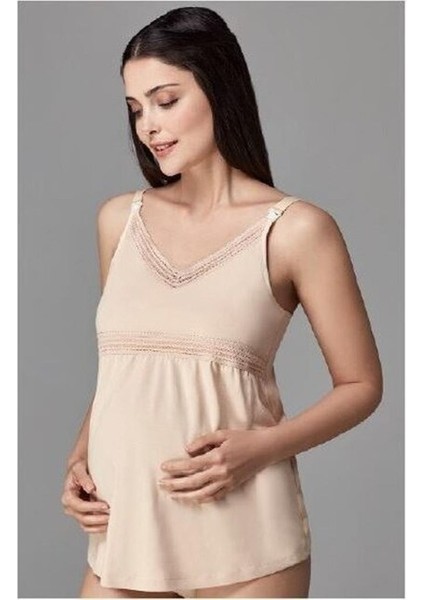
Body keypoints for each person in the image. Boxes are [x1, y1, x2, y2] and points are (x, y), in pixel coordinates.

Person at [61, 6, 383, 599]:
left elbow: (362, 385)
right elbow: (124, 367)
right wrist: (81, 455)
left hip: (246, 539)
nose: (148, 126)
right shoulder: (118, 220)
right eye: (135, 109)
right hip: (125, 530)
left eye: (165, 100)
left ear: (219, 89)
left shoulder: (295, 230)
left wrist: (261, 448)